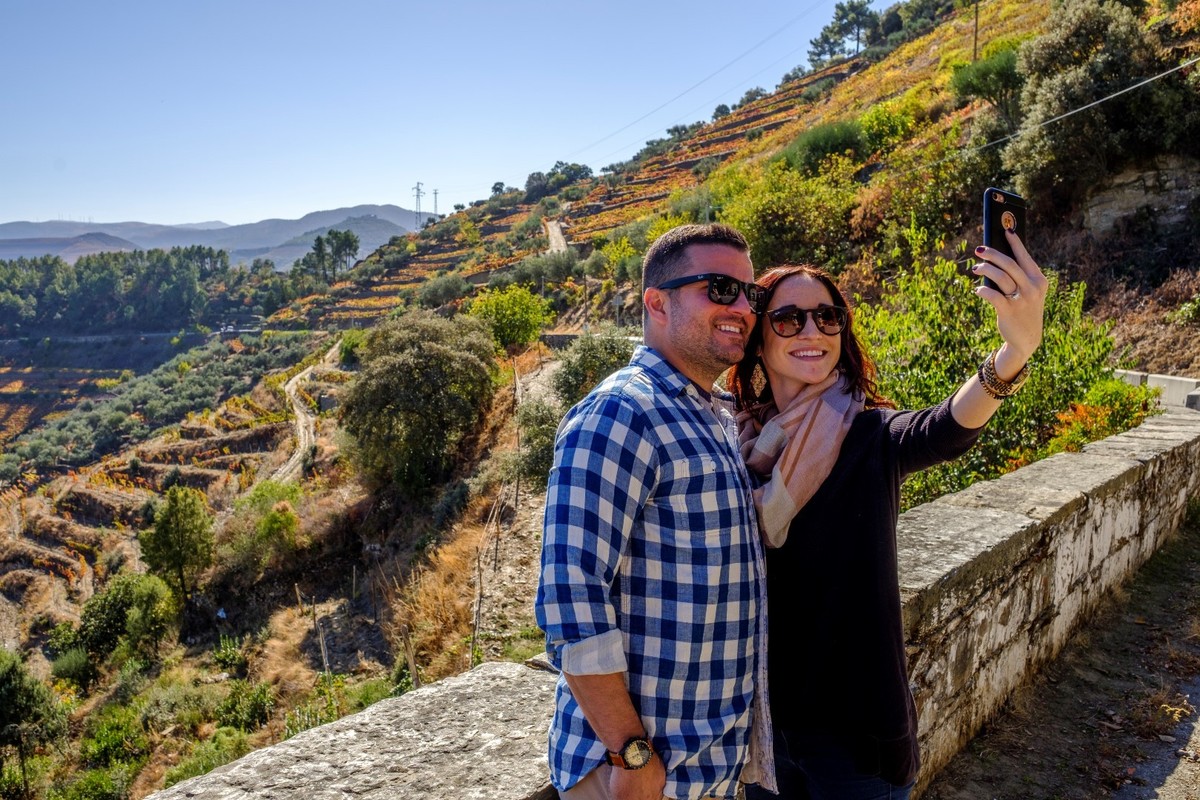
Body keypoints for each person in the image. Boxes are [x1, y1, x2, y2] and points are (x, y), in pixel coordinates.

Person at [730, 229, 1047, 800]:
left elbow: (943, 428)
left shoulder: (870, 435)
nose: (812, 331)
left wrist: (1012, 355)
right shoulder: (736, 444)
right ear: (759, 337)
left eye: (827, 317)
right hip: (764, 732)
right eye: (789, 319)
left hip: (856, 742)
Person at [536, 223, 777, 800]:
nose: (743, 308)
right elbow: (570, 597)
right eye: (720, 288)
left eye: (750, 293)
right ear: (656, 303)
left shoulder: (713, 416)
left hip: (706, 770)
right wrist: (631, 753)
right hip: (638, 777)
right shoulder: (622, 412)